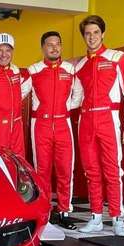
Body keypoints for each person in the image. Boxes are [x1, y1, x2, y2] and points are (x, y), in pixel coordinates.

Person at [74, 15, 124, 237]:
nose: (91, 37)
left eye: (95, 33)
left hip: (108, 119)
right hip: (85, 121)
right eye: (87, 33)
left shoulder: (117, 57)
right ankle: (96, 218)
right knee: (91, 171)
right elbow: (76, 97)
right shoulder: (80, 64)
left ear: (103, 34)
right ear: (84, 36)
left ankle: (117, 219)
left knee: (113, 170)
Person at [24, 31, 83, 229]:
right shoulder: (33, 70)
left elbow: (79, 95)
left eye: (58, 44)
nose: (54, 48)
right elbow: (18, 94)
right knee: (43, 171)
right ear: (43, 48)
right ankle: (45, 211)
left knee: (66, 169)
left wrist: (66, 108)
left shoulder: (70, 69)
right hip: (40, 125)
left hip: (63, 124)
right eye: (50, 44)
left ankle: (64, 211)